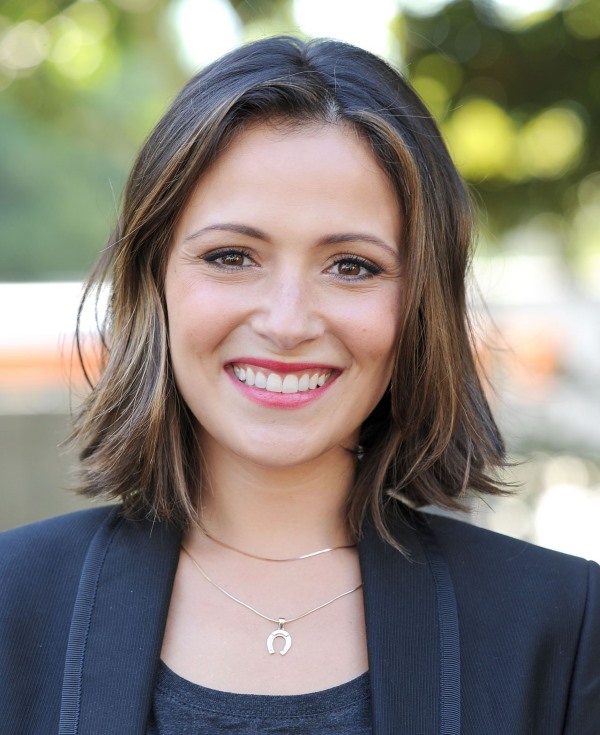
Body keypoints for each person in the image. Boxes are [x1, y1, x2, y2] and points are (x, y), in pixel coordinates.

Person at [0, 35, 598, 735]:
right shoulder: (13, 604)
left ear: (420, 305)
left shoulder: (561, 627)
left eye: (351, 266)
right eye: (232, 256)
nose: (287, 322)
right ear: (154, 279)